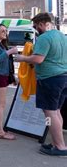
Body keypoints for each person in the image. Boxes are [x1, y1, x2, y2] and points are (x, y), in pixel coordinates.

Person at [16, 13, 67, 156]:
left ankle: (60, 147)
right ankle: (58, 142)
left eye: (36, 26)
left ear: (42, 24)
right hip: (63, 77)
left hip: (49, 78)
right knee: (56, 111)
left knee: (50, 112)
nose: (36, 28)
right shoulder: (60, 35)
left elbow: (38, 59)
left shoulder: (44, 38)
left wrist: (23, 58)